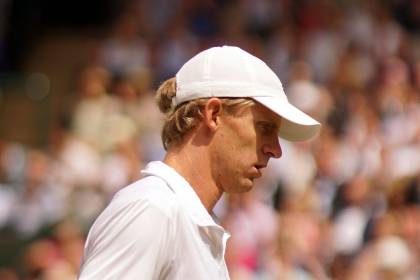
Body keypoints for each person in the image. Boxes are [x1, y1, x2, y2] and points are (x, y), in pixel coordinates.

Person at [77, 46, 321, 279]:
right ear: (213, 114)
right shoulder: (153, 208)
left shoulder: (179, 215)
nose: (276, 150)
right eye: (264, 127)